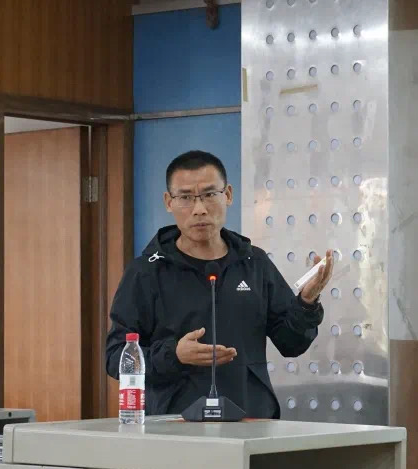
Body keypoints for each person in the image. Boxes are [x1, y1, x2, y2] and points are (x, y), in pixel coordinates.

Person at [105, 150, 333, 418]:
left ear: (228, 195)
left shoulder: (254, 263)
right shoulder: (146, 272)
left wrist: (306, 303)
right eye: (185, 197)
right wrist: (174, 355)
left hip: (251, 420)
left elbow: (291, 344)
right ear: (168, 202)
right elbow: (116, 358)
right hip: (174, 425)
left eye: (210, 194)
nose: (199, 209)